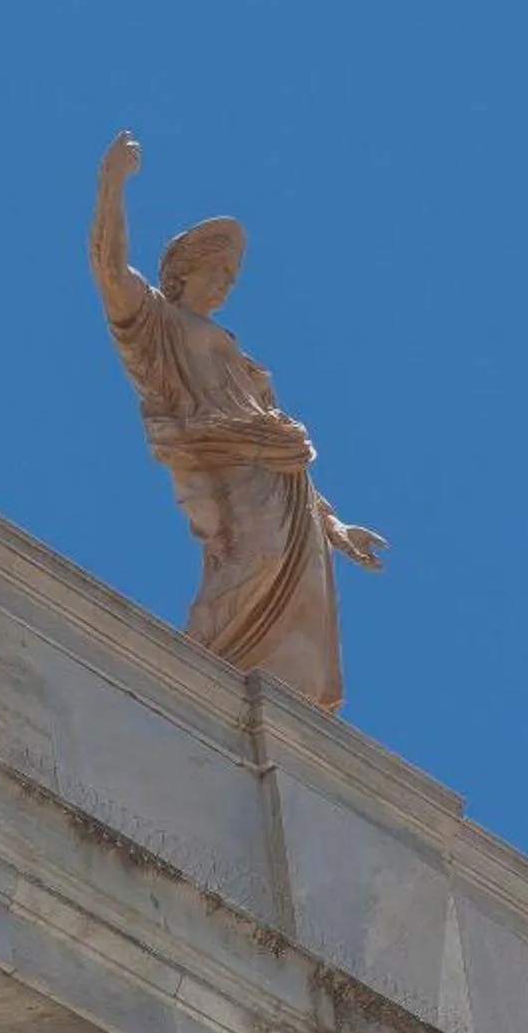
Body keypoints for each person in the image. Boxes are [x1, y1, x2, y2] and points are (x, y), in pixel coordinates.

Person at [89, 132, 384, 709]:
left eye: (232, 273)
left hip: (282, 475)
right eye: (216, 268)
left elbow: (266, 423)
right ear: (184, 271)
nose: (226, 281)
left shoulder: (245, 361)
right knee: (253, 560)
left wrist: (336, 526)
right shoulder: (157, 323)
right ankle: (192, 679)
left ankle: (268, 701)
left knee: (301, 594)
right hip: (221, 457)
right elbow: (107, 268)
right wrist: (113, 183)